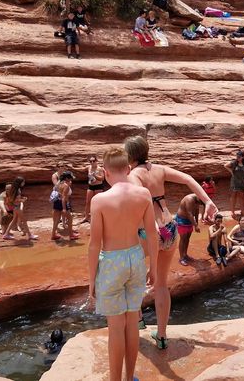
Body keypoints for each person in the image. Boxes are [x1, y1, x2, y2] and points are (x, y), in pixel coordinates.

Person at [124, 135, 217, 349]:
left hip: (150, 232)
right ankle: (162, 336)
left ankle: (138, 318)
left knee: (130, 274)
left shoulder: (133, 175)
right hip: (170, 229)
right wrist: (208, 201)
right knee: (161, 285)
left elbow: (142, 197)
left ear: (129, 156)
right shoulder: (159, 169)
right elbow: (188, 179)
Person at [88, 146, 158, 381]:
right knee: (131, 322)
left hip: (111, 262)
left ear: (105, 173)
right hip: (136, 258)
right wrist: (154, 268)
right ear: (128, 169)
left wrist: (91, 281)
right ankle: (130, 378)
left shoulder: (99, 200)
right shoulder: (144, 195)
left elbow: (94, 244)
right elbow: (152, 233)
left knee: (116, 327)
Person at [2, 177, 37, 241]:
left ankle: (6, 235)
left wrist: (21, 198)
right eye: (23, 182)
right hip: (17, 207)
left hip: (15, 207)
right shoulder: (17, 190)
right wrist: (22, 200)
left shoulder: (14, 189)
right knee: (24, 221)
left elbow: (13, 199)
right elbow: (16, 200)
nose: (24, 183)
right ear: (20, 182)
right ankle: (30, 235)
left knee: (14, 220)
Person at [175, 193, 206, 266]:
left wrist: (197, 224)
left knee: (187, 238)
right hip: (182, 220)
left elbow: (196, 211)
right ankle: (181, 258)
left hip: (190, 220)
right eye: (200, 203)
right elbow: (189, 213)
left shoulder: (198, 200)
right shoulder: (189, 199)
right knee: (183, 238)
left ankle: (185, 255)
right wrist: (195, 225)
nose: (199, 204)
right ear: (199, 198)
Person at [52, 171, 78, 241]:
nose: (71, 179)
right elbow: (64, 197)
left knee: (56, 220)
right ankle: (71, 235)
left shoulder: (59, 183)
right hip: (63, 203)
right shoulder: (66, 185)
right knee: (70, 218)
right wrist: (64, 208)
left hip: (56, 202)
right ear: (67, 178)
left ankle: (53, 235)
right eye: (70, 178)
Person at [224, 150, 244, 218]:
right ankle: (232, 212)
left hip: (242, 182)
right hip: (235, 182)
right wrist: (231, 172)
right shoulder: (234, 163)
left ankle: (242, 211)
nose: (237, 158)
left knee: (242, 197)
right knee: (233, 197)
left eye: (239, 157)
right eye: (237, 156)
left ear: (243, 157)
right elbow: (225, 165)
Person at [82, 156, 105, 224]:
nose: (92, 162)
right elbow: (82, 169)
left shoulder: (100, 169)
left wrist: (95, 175)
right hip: (91, 186)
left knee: (98, 203)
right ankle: (86, 217)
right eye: (90, 161)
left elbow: (102, 178)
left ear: (96, 161)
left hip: (98, 186)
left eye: (93, 161)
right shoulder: (89, 167)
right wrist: (72, 167)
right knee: (88, 202)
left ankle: (98, 217)